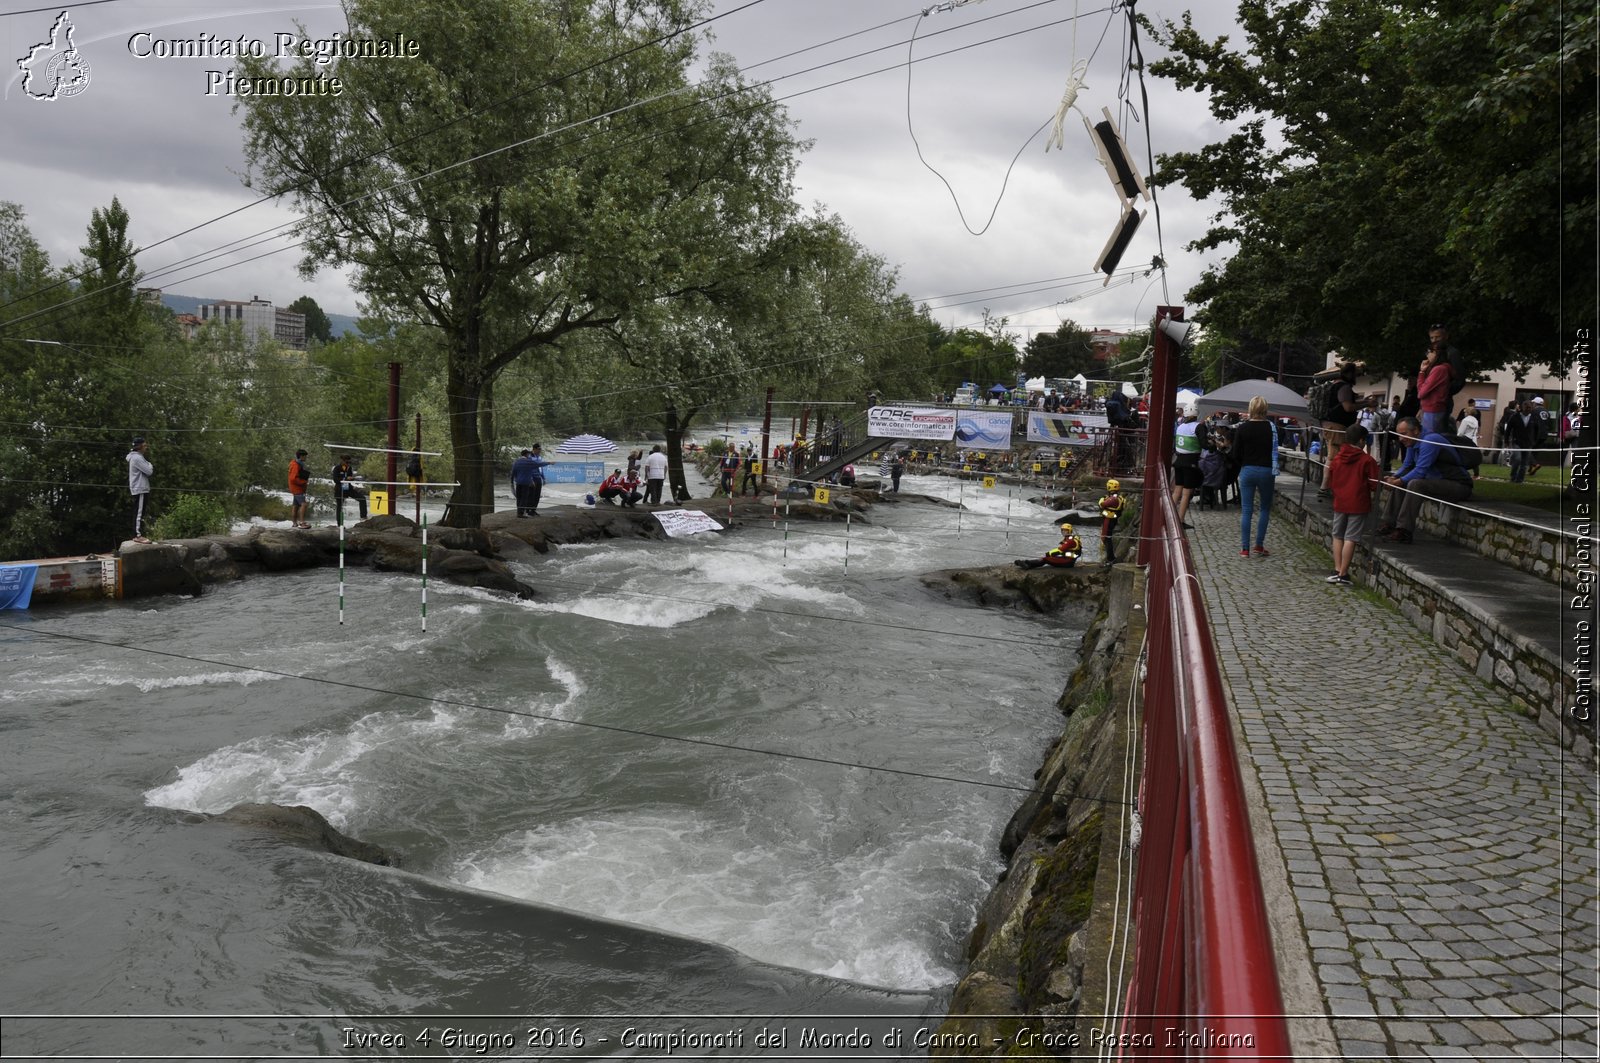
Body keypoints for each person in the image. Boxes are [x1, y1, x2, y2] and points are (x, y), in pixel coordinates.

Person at [1375, 416, 1473, 543]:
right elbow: (1407, 465)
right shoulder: (1412, 441)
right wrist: (1394, 477)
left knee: (1415, 484)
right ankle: (1388, 524)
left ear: (1415, 430)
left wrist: (1398, 481)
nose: (1401, 439)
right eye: (1399, 435)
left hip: (1459, 485)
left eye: (1404, 434)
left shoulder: (1429, 441)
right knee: (1403, 482)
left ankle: (1404, 531)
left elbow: (1420, 471)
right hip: (1439, 481)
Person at [1326, 423, 1381, 584]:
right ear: (1361, 441)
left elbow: (1331, 478)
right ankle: (1343, 573)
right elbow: (1374, 483)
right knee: (1351, 537)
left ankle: (1337, 568)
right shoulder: (1367, 460)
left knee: (1337, 535)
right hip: (1358, 502)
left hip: (1340, 501)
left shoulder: (1337, 458)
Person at [1234, 395, 1279, 557]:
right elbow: (1275, 450)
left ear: (1251, 409)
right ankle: (1259, 545)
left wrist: (1242, 465)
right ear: (1265, 409)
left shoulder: (1242, 428)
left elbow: (1235, 453)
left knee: (1247, 510)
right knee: (1265, 509)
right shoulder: (1272, 428)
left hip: (1248, 470)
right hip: (1267, 471)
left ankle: (1245, 549)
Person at [1318, 362, 1360, 496]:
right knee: (1334, 457)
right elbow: (1347, 407)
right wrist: (1365, 403)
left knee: (1331, 456)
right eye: (1355, 374)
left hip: (1328, 425)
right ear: (1349, 373)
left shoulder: (1333, 385)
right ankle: (1325, 488)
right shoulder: (1344, 387)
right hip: (1337, 426)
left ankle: (1327, 487)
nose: (1356, 377)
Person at [1170, 404, 1205, 529]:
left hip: (1179, 460)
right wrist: (1212, 445)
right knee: (1186, 492)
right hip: (1190, 461)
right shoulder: (1198, 426)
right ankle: (1180, 520)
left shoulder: (1181, 426)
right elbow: (1204, 444)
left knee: (1177, 490)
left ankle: (1169, 517)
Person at [1416, 342, 1453, 437]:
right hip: (1434, 410)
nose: (1427, 355)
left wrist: (1421, 373)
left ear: (1436, 353)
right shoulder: (1444, 368)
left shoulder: (1439, 369)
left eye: (1429, 352)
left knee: (1429, 439)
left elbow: (1421, 393)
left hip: (1432, 410)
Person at [1014, 521, 1083, 568]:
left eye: (1065, 530)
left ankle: (1028, 564)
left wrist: (1049, 553)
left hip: (1068, 562)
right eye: (1062, 530)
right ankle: (1027, 563)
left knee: (1046, 559)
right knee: (1046, 559)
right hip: (1066, 559)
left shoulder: (1071, 541)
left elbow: (1060, 550)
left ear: (1069, 531)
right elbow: (1064, 552)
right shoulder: (1069, 539)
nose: (1063, 532)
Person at [126, 436, 154, 544]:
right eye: (145, 445)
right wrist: (150, 465)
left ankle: (138, 533)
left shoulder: (138, 457)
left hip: (141, 488)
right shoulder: (137, 458)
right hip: (140, 488)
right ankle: (137, 535)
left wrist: (148, 465)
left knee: (140, 512)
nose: (146, 447)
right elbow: (149, 471)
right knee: (138, 513)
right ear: (140, 446)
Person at [511, 447, 548, 516]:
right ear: (527, 455)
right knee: (525, 497)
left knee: (519, 497)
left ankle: (520, 512)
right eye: (528, 454)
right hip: (526, 482)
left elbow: (513, 472)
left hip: (519, 482)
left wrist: (512, 481)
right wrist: (549, 463)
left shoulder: (516, 461)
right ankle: (523, 512)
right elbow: (537, 465)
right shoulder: (529, 461)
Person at [332, 454, 368, 523]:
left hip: (348, 488)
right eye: (347, 462)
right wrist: (345, 478)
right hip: (340, 489)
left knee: (362, 498)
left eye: (349, 462)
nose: (348, 464)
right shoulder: (337, 468)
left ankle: (363, 517)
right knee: (339, 506)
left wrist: (353, 478)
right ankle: (340, 524)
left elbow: (350, 477)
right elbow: (335, 480)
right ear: (342, 461)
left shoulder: (349, 468)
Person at [1097, 478, 1125, 566]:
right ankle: (1110, 558)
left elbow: (1102, 504)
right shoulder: (1116, 497)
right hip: (1110, 519)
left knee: (1106, 538)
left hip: (1109, 520)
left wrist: (1102, 499)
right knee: (1107, 538)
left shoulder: (1113, 499)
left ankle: (1110, 559)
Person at [288, 449, 312, 529]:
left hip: (295, 488)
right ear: (301, 456)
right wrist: (303, 482)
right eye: (305, 456)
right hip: (297, 488)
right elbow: (293, 478)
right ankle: (302, 523)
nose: (306, 458)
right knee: (304, 504)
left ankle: (294, 523)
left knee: (295, 506)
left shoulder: (296, 463)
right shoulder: (295, 465)